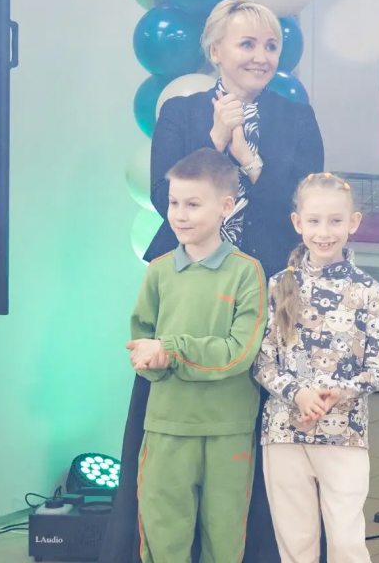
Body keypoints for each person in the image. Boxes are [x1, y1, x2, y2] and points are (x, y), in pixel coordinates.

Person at [102, 0, 325, 563]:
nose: (261, 56)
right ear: (215, 50)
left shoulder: (295, 117)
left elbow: (305, 209)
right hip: (190, 291)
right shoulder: (181, 112)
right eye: (247, 44)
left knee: (263, 430)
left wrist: (249, 159)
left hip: (271, 290)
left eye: (271, 45)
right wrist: (215, 144)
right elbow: (166, 198)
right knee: (172, 432)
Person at [128, 149, 267, 563]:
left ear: (226, 206)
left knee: (224, 537)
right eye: (174, 203)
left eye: (192, 204)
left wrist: (170, 351)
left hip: (228, 430)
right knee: (163, 534)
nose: (180, 215)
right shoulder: (157, 271)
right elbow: (141, 340)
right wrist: (150, 359)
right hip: (167, 427)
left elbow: (238, 354)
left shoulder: (247, 272)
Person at [254, 172, 379, 563]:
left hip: (344, 434)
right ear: (297, 222)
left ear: (353, 223)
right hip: (283, 433)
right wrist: (297, 393)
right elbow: (263, 361)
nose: (324, 232)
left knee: (346, 542)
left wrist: (340, 392)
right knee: (296, 544)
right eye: (314, 221)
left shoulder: (368, 290)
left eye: (335, 221)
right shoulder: (278, 285)